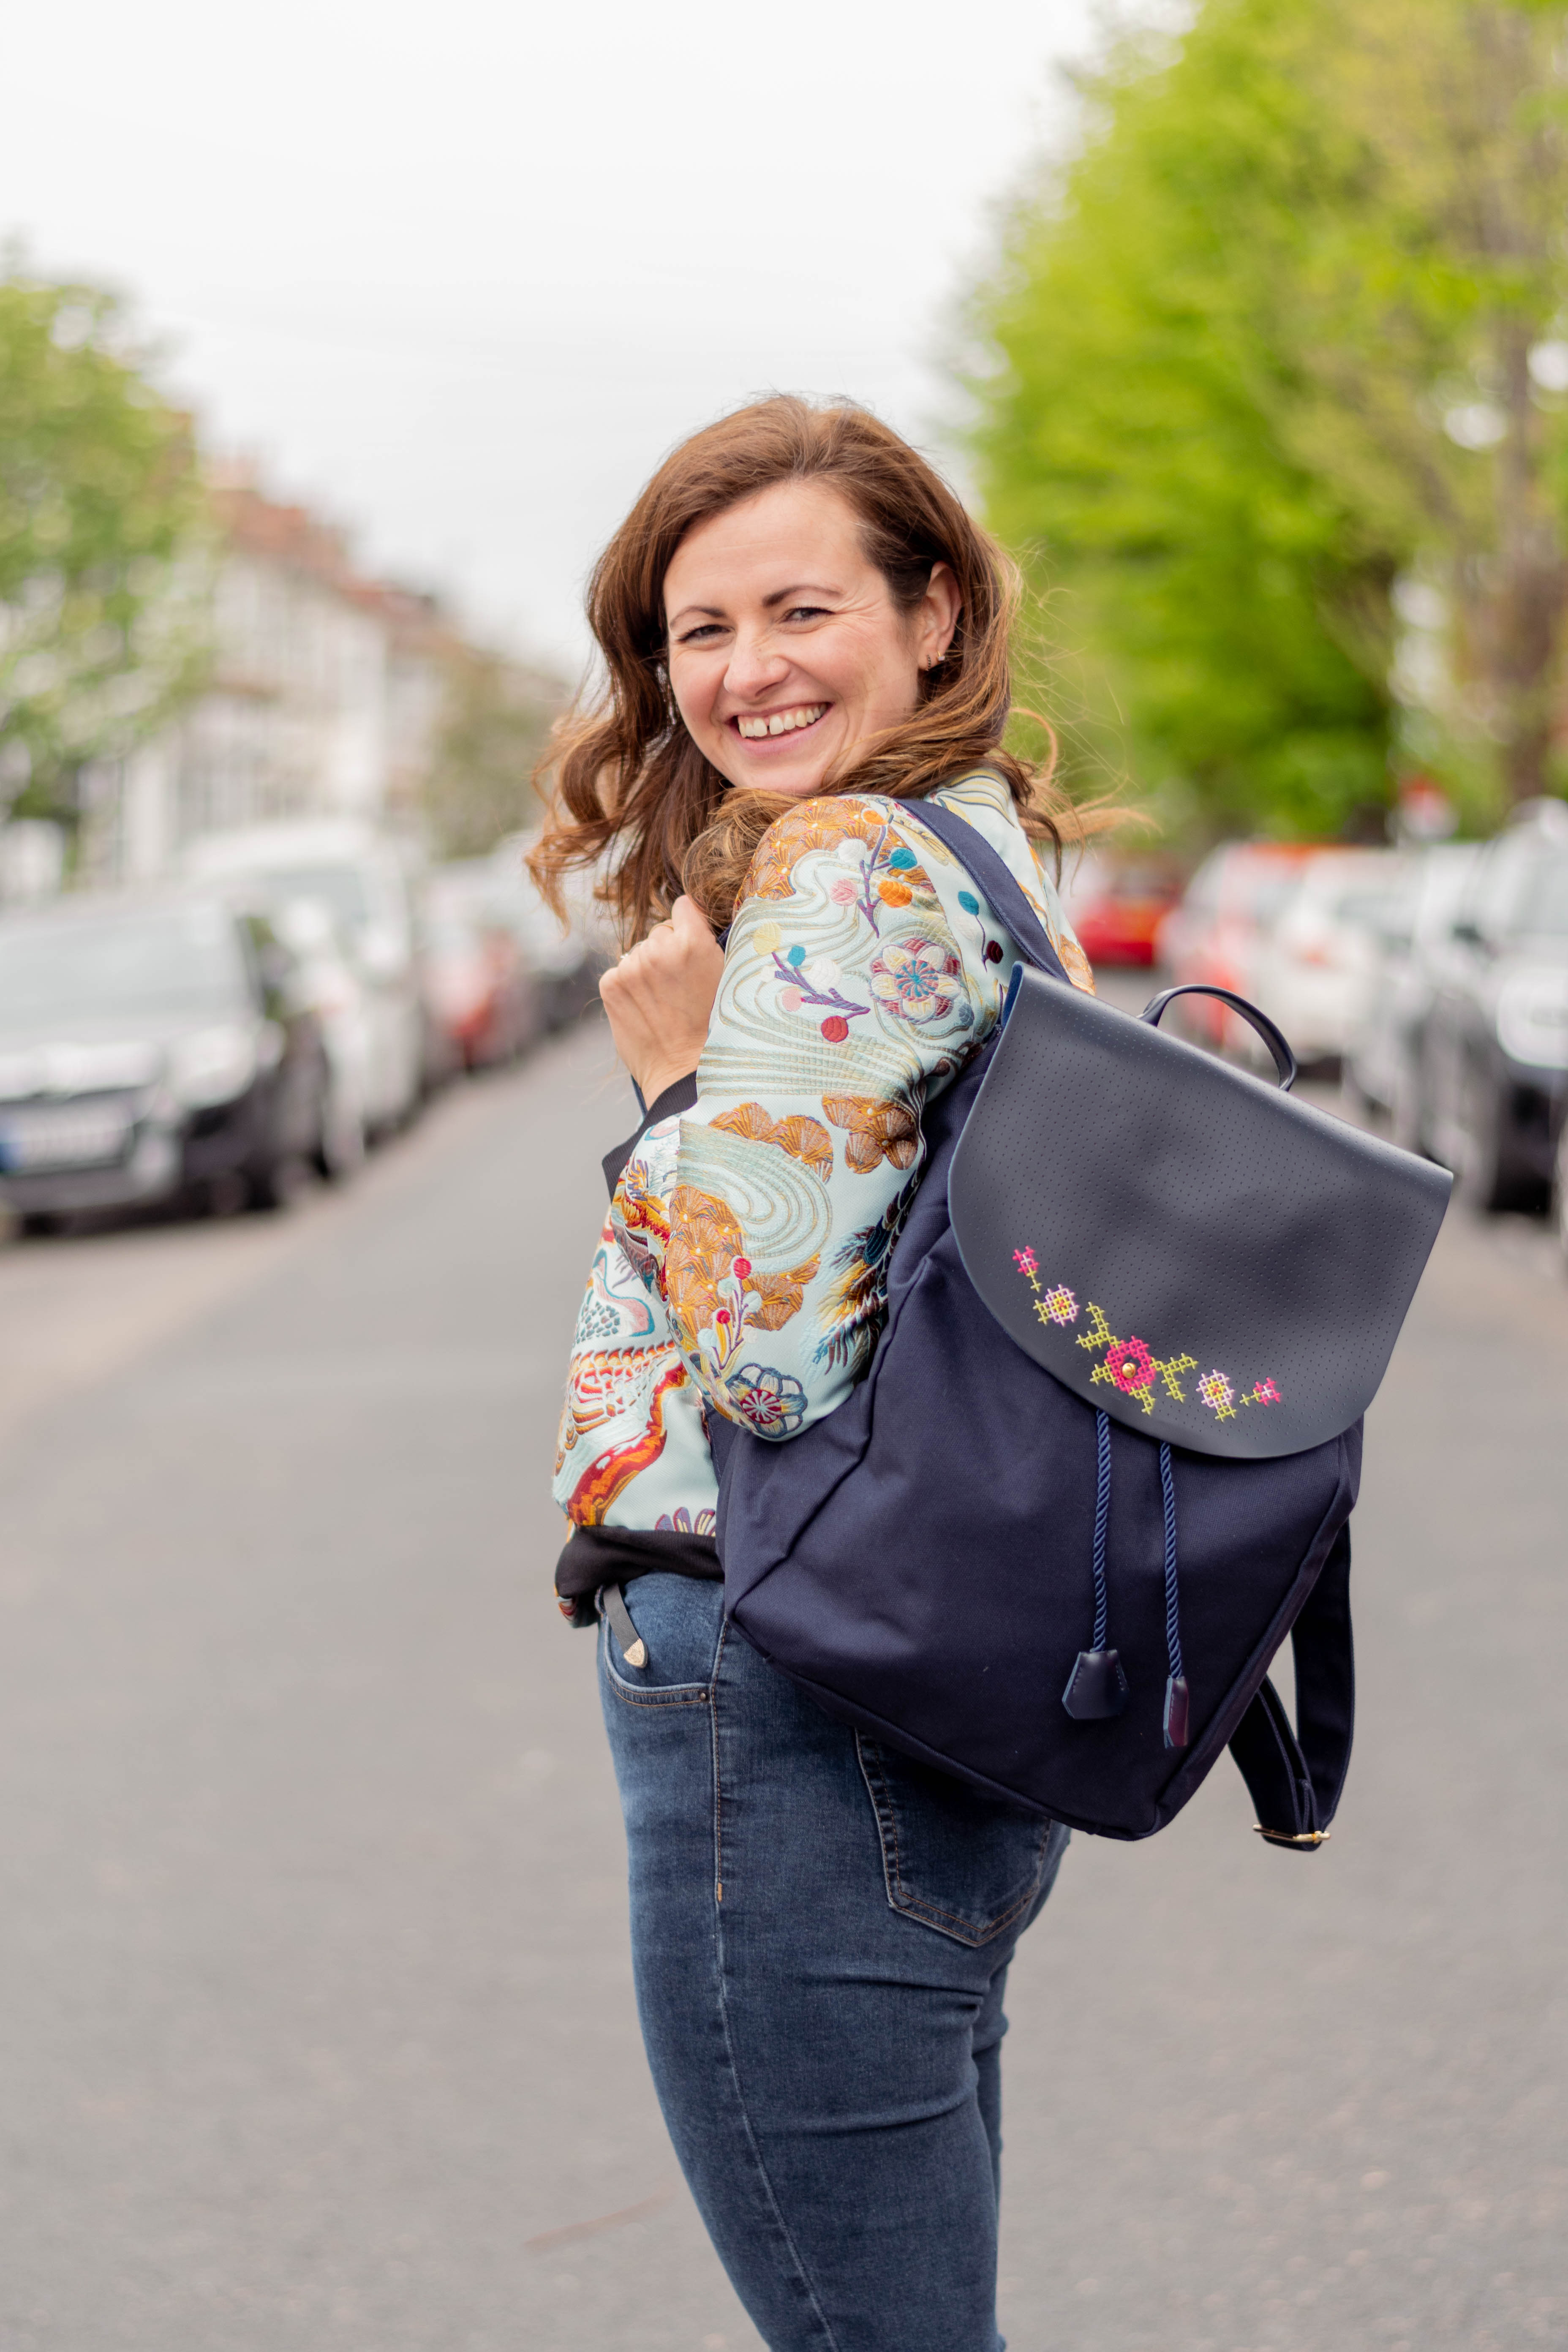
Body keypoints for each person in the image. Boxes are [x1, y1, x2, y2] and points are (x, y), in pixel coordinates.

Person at [534, 395, 1098, 2352]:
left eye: (801, 608)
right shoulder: (979, 842)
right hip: (920, 1671)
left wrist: (676, 1094)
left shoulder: (847, 871)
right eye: (699, 631)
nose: (745, 670)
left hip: (783, 1682)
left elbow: (767, 1368)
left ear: (932, 612)